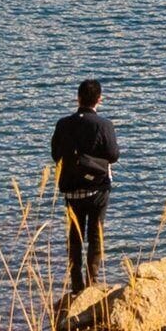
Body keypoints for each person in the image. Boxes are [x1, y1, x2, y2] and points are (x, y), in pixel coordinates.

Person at [49, 79, 120, 293]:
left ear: (78, 98)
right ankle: (93, 280)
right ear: (99, 99)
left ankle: (76, 283)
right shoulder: (104, 125)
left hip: (71, 189)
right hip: (97, 189)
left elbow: (55, 155)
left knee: (74, 235)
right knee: (95, 233)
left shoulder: (63, 124)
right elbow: (113, 155)